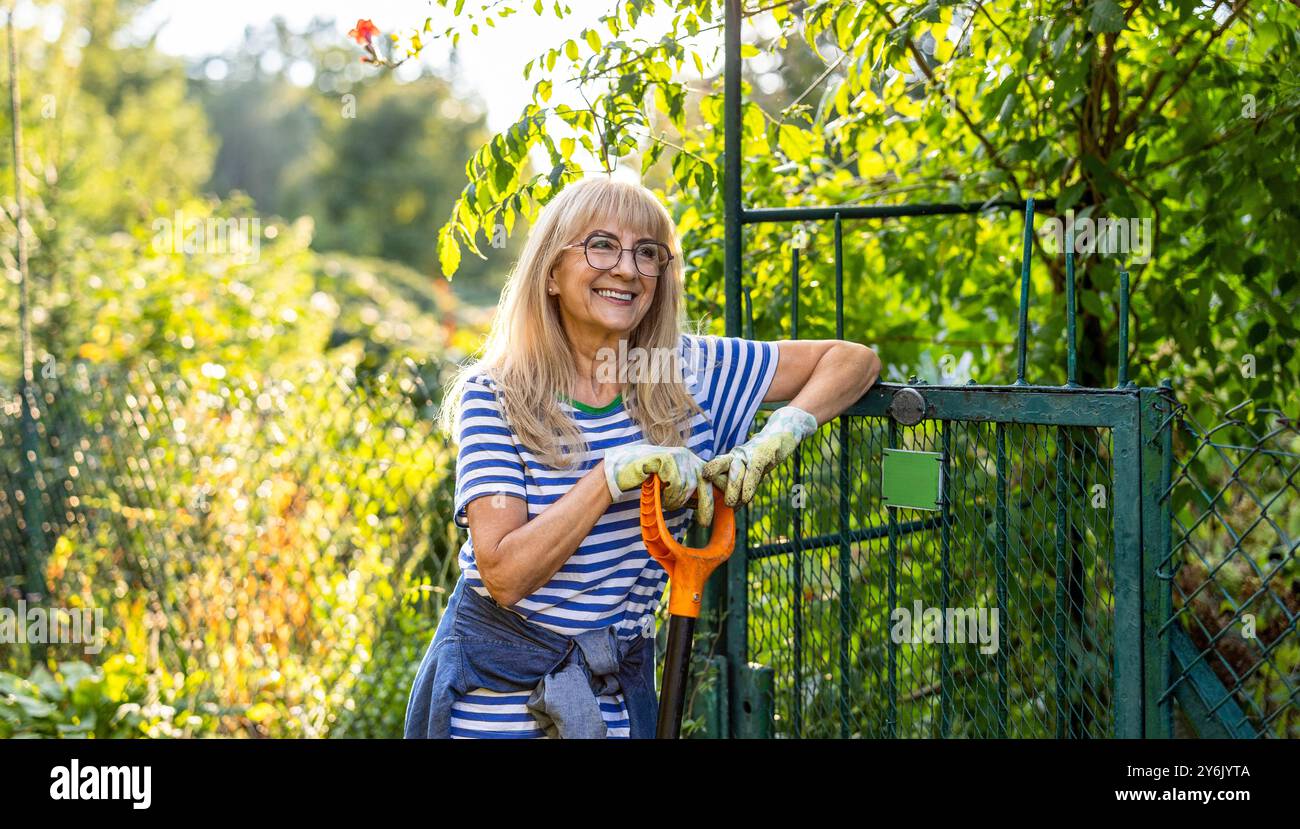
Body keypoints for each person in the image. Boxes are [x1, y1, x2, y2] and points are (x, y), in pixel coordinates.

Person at [403, 176, 881, 738]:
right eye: (601, 245)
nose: (628, 269)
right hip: (495, 701)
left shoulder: (689, 374)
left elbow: (854, 362)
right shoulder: (498, 396)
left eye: (648, 253)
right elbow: (505, 574)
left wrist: (777, 434)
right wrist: (608, 477)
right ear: (551, 272)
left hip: (611, 703)